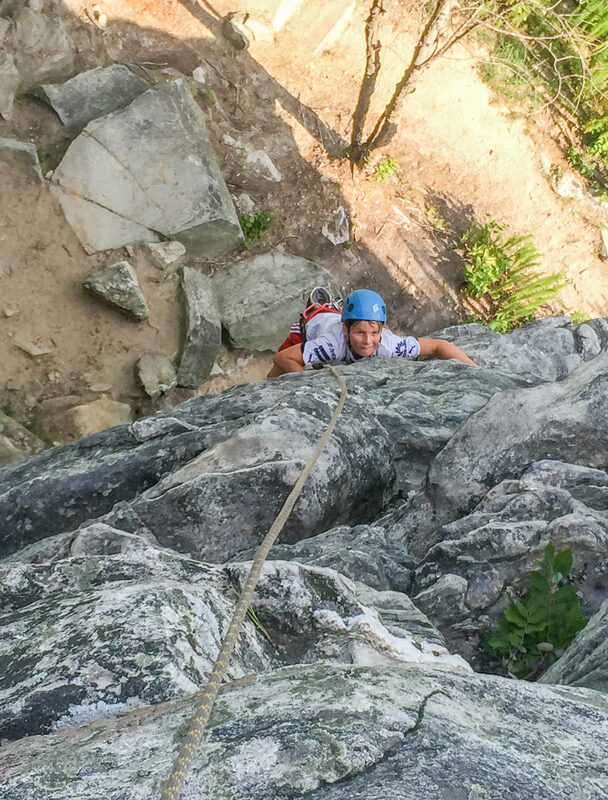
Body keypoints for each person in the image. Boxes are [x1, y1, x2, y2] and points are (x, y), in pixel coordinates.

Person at [267, 287, 476, 377]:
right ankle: (322, 307)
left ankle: (330, 306)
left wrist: (476, 370)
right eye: (360, 333)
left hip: (336, 325)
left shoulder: (388, 344)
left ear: (382, 330)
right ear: (345, 329)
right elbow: (282, 358)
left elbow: (440, 346)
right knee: (278, 372)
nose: (368, 341)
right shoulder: (331, 344)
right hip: (307, 328)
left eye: (374, 332)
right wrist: (302, 382)